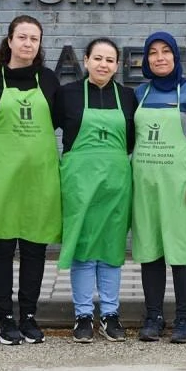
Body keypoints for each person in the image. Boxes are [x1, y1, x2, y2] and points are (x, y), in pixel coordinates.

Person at [0, 15, 61, 345]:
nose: (28, 44)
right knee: (2, 250)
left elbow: (65, 122)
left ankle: (29, 317)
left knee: (35, 250)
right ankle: (5, 319)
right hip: (0, 182)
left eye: (34, 39)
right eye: (22, 37)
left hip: (40, 181)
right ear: (9, 42)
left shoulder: (48, 80)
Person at [131, 31, 186, 343]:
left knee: (181, 253)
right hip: (146, 188)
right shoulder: (139, 93)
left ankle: (183, 319)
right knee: (150, 252)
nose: (160, 57)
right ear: (146, 60)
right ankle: (153, 316)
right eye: (153, 52)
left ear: (176, 58)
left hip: (182, 188)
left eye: (166, 51)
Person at [53, 38, 137, 343]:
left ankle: (111, 314)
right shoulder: (67, 94)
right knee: (84, 247)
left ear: (117, 65)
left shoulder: (128, 97)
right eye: (98, 58)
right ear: (85, 61)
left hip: (116, 182)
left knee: (113, 247)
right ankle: (84, 315)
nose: (103, 64)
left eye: (110, 60)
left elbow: (131, 142)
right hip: (79, 181)